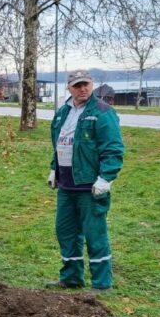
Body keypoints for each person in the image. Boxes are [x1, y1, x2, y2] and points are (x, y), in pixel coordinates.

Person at [47, 70, 125, 292]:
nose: (83, 89)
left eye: (86, 85)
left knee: (95, 234)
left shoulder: (102, 113)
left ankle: (102, 284)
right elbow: (60, 144)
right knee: (66, 232)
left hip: (89, 187)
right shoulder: (63, 113)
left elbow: (113, 149)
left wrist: (105, 178)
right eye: (78, 85)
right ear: (69, 88)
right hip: (66, 186)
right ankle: (71, 277)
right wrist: (55, 169)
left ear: (92, 85)